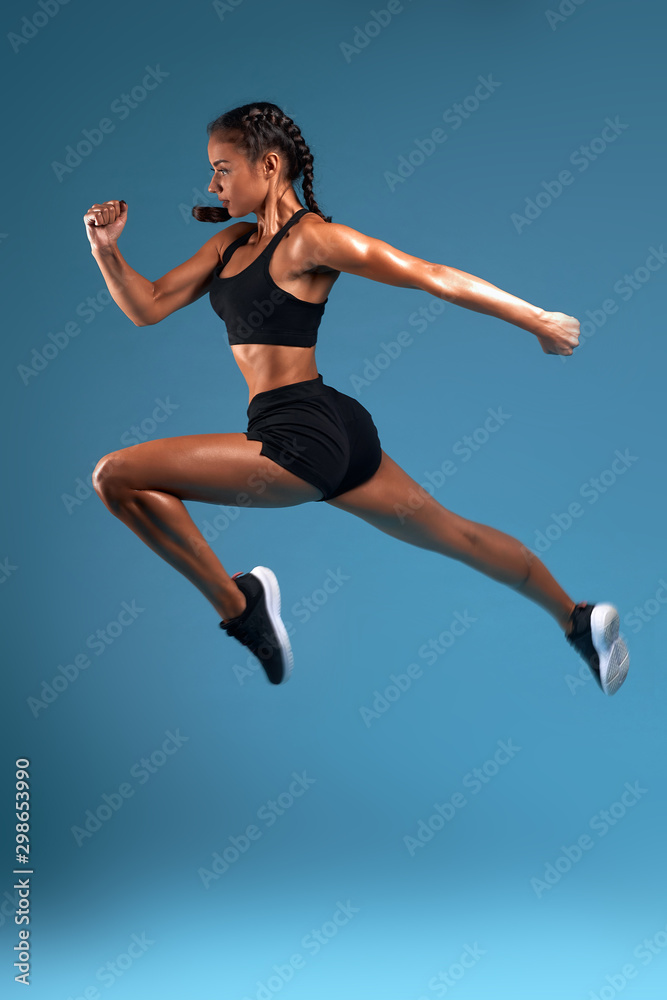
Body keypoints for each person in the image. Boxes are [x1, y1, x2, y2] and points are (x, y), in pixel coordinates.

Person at [83, 101, 629, 695]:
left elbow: (426, 273)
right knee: (457, 535)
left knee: (117, 476)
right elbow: (148, 305)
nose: (213, 184)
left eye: (223, 168)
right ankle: (577, 620)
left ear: (268, 165)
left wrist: (537, 320)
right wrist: (106, 249)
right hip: (335, 426)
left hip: (299, 437)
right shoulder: (230, 244)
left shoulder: (310, 241)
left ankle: (243, 605)